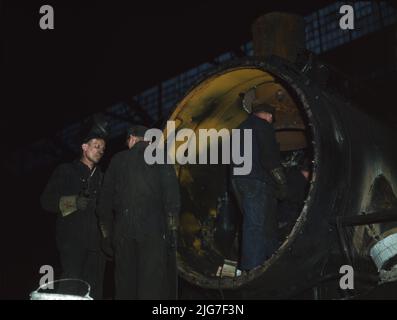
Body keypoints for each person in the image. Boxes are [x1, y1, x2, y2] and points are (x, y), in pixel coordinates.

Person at [97, 125, 181, 300]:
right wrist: (172, 230)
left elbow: (103, 203)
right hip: (154, 231)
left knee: (125, 286)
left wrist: (106, 235)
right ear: (149, 140)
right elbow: (172, 198)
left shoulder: (117, 160)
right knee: (152, 286)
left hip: (123, 233)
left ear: (132, 139)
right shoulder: (160, 158)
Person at [40, 130, 107, 299]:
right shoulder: (66, 170)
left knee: (95, 288)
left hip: (97, 243)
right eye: (96, 146)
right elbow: (46, 201)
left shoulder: (103, 178)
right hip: (72, 240)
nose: (100, 150)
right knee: (72, 284)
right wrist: (74, 202)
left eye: (103, 148)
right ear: (84, 147)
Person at [231, 99, 287, 271]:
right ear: (269, 116)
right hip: (256, 179)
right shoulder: (263, 126)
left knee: (255, 221)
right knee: (257, 224)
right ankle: (254, 266)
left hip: (238, 180)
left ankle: (268, 258)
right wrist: (282, 182)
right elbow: (270, 157)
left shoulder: (240, 128)